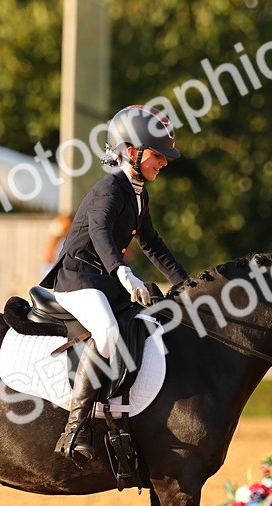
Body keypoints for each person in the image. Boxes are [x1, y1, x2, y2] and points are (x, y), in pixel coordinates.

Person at [47, 105, 189, 465]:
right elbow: (98, 232)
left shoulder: (138, 192)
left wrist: (187, 285)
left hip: (104, 280)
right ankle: (74, 426)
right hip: (78, 278)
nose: (164, 163)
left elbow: (153, 243)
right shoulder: (110, 189)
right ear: (131, 152)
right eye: (158, 155)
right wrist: (123, 270)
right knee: (108, 333)